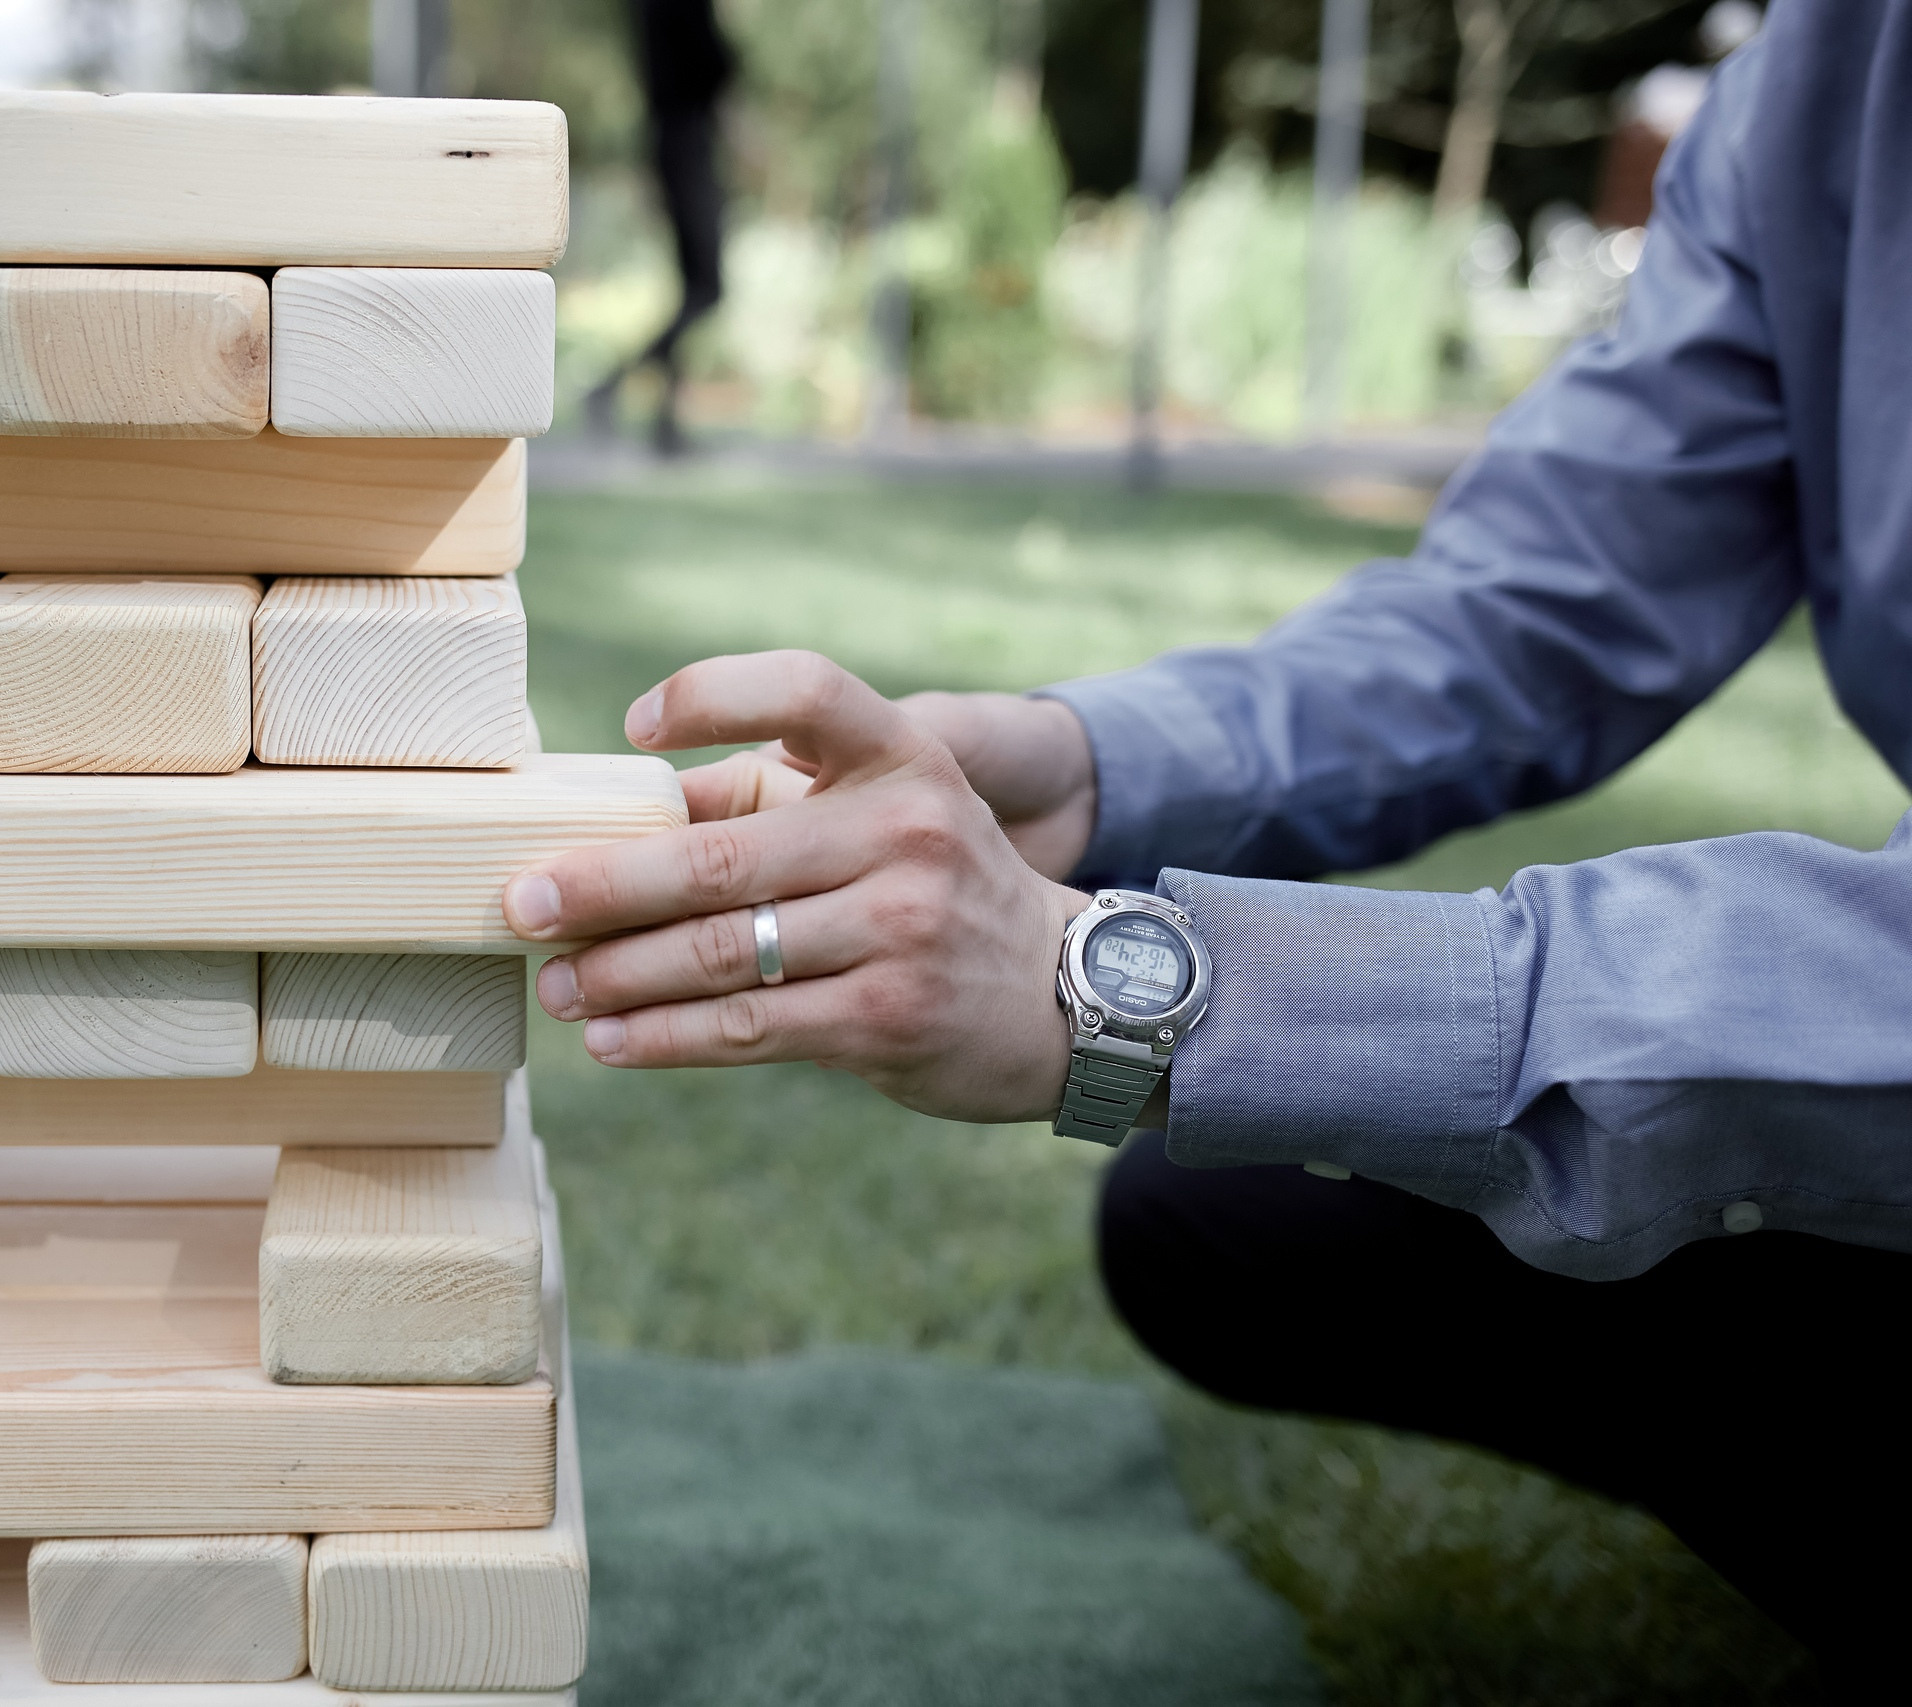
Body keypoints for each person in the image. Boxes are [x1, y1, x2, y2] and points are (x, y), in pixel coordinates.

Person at [498, 3, 1912, 1695]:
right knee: (1219, 1222)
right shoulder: (1826, 74)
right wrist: (1095, 768)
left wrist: (1160, 996)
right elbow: (1538, 612)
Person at [584, 0, 734, 455]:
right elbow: (710, 66)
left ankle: (665, 425)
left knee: (692, 290)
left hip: (671, 142)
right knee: (706, 289)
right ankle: (611, 386)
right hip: (689, 142)